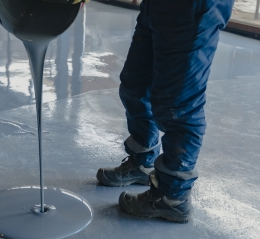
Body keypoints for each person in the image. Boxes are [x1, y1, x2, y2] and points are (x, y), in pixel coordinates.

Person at [96, 0, 234, 223]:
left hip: (192, 9)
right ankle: (143, 160)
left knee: (179, 106)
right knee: (135, 86)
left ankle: (173, 197)